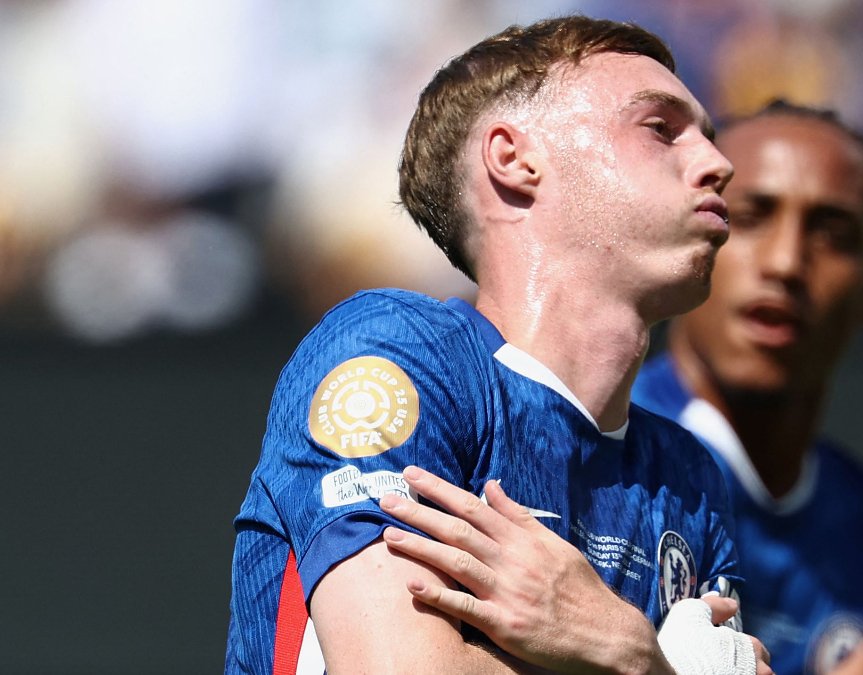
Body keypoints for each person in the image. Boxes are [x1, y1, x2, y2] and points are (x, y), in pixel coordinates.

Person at [225, 16, 771, 674]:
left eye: (707, 137)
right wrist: (635, 653)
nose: (719, 163)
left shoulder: (691, 479)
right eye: (660, 128)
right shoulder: (399, 351)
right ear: (513, 159)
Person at [631, 101, 863, 674]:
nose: (787, 262)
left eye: (833, 234)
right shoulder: (589, 459)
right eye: (748, 217)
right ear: (684, 247)